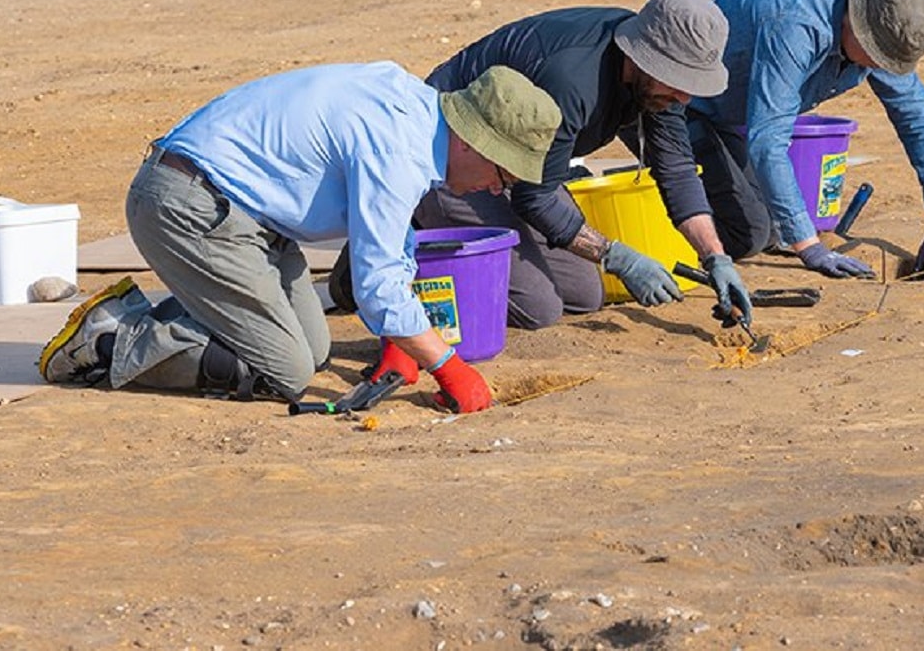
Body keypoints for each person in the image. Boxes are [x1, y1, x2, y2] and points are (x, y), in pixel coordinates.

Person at [38, 63, 563, 414]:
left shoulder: (412, 110)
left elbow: (390, 236)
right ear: (474, 141)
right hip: (187, 205)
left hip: (248, 219)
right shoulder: (399, 150)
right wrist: (445, 365)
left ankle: (167, 316)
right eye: (504, 172)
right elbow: (377, 282)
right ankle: (109, 340)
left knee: (314, 349)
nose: (497, 187)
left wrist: (402, 342)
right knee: (285, 371)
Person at [329, 0, 754, 331]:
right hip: (459, 160)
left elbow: (676, 168)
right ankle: (392, 254)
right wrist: (618, 257)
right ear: (643, 56)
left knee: (584, 295)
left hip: (523, 169)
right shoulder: (573, 81)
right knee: (538, 307)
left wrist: (715, 257)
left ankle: (416, 228)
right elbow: (536, 198)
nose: (684, 95)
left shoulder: (657, 86)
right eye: (678, 81)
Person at [685, 0, 924, 280]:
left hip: (729, 116)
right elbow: (768, 141)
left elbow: (915, 113)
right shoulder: (796, 26)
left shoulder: (878, 29)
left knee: (774, 225)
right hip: (676, 104)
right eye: (879, 56)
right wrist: (811, 249)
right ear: (857, 25)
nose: (882, 67)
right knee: (752, 233)